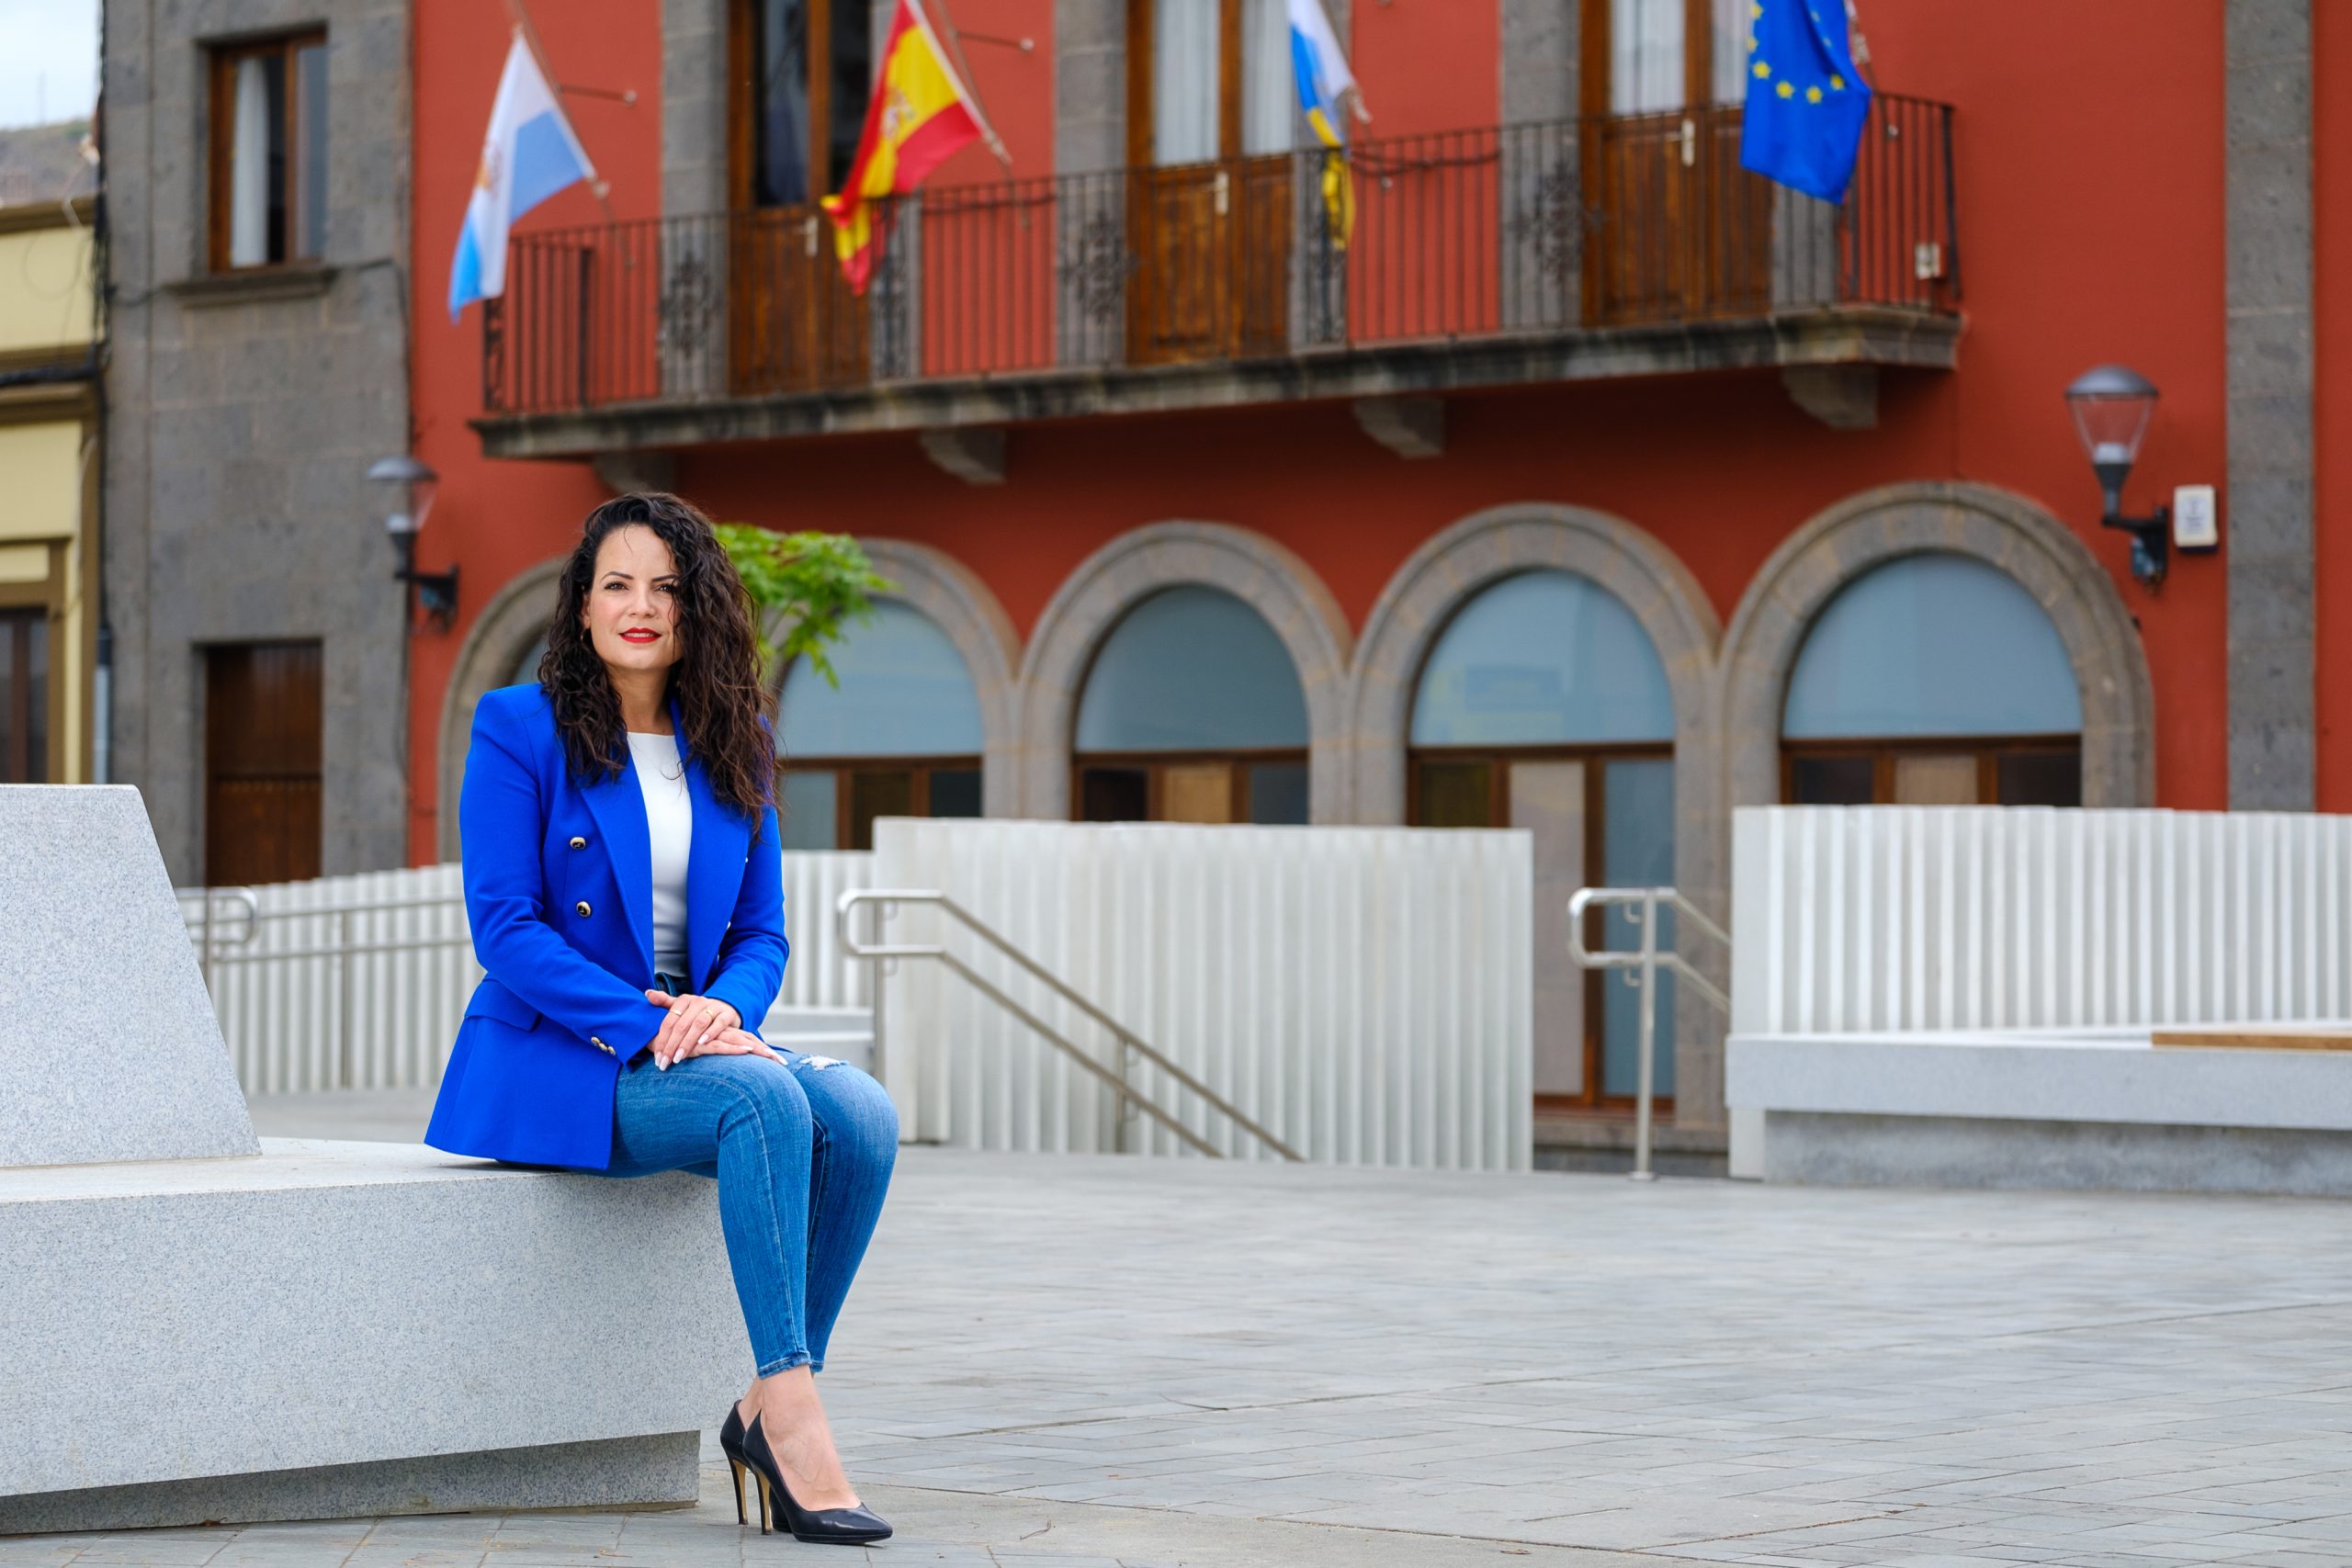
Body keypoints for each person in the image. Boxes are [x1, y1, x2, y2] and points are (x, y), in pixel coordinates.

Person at [424, 491, 898, 1546]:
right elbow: (505, 927)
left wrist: (721, 1010)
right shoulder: (517, 729)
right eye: (617, 585)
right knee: (764, 1097)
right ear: (582, 608)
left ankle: (760, 1411)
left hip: (696, 1044)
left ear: (698, 609)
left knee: (861, 1112)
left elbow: (764, 934)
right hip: (571, 1057)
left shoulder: (740, 736)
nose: (641, 606)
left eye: (667, 587)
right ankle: (795, 1411)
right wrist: (649, 1027)